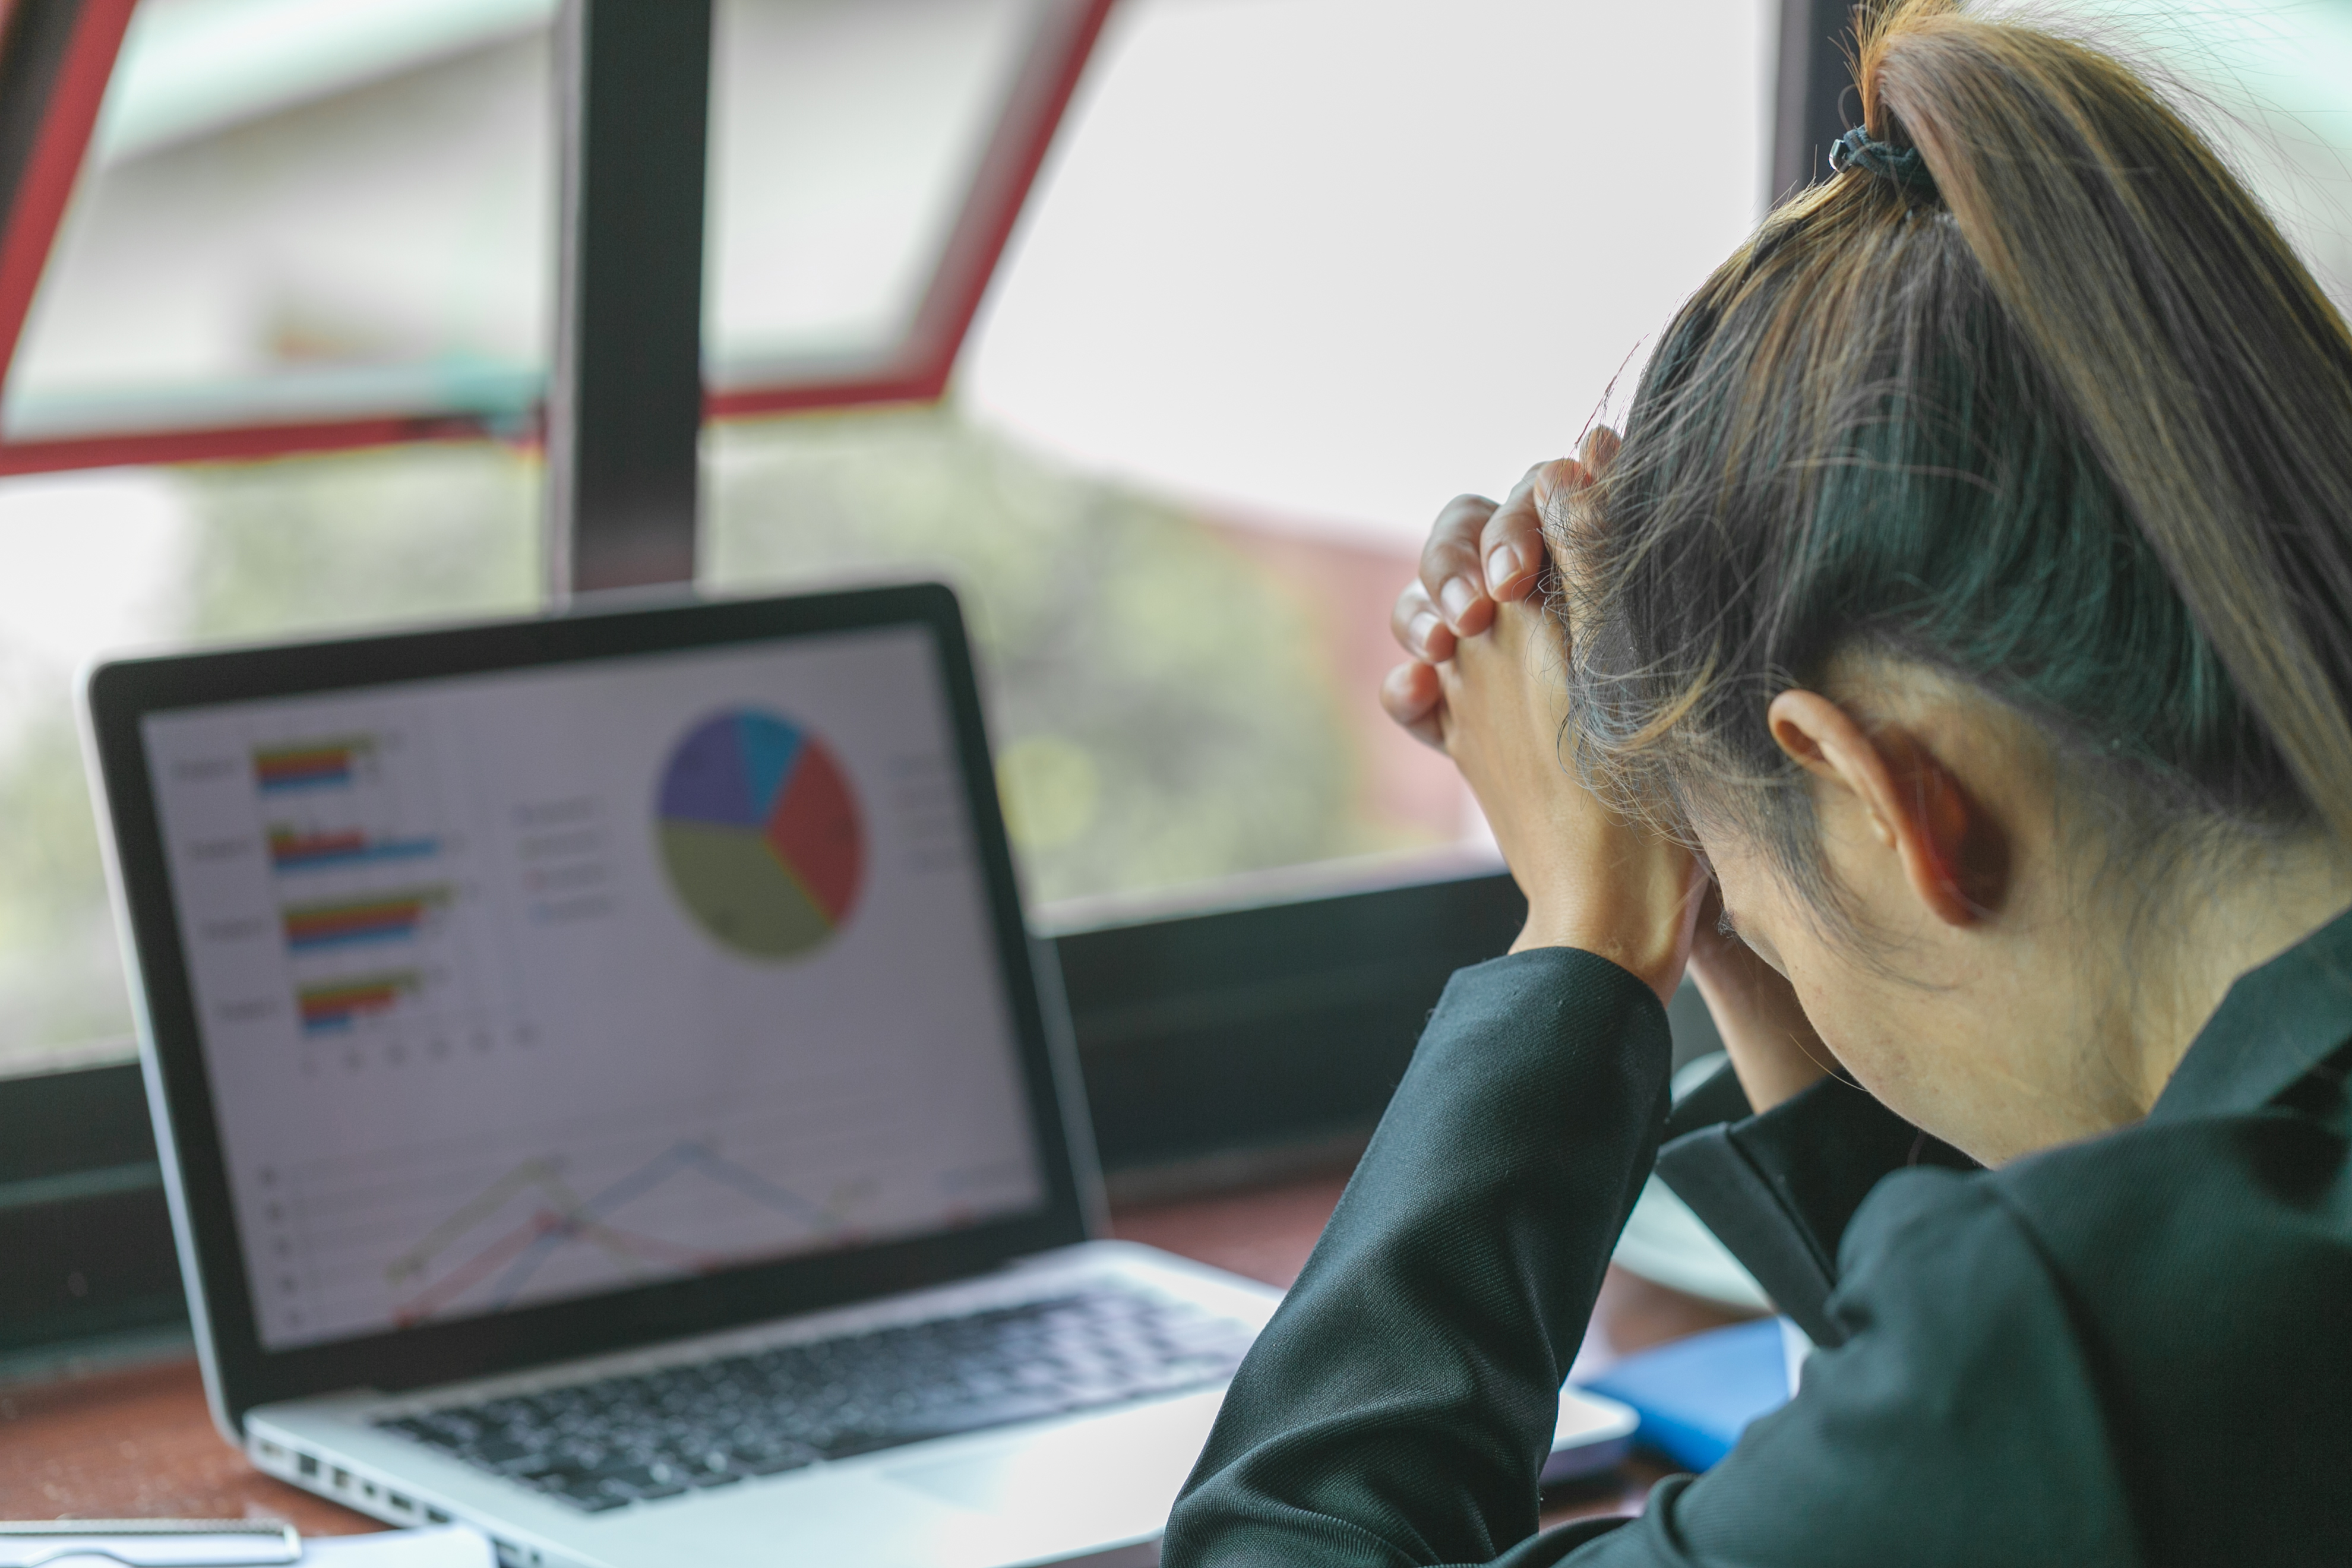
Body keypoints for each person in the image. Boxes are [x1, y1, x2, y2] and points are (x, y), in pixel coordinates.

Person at [1158, 1, 2352, 1563]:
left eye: (1769, 897)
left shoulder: (2077, 1349)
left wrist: (1584, 939)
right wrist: (1757, 903)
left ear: (1887, 799)